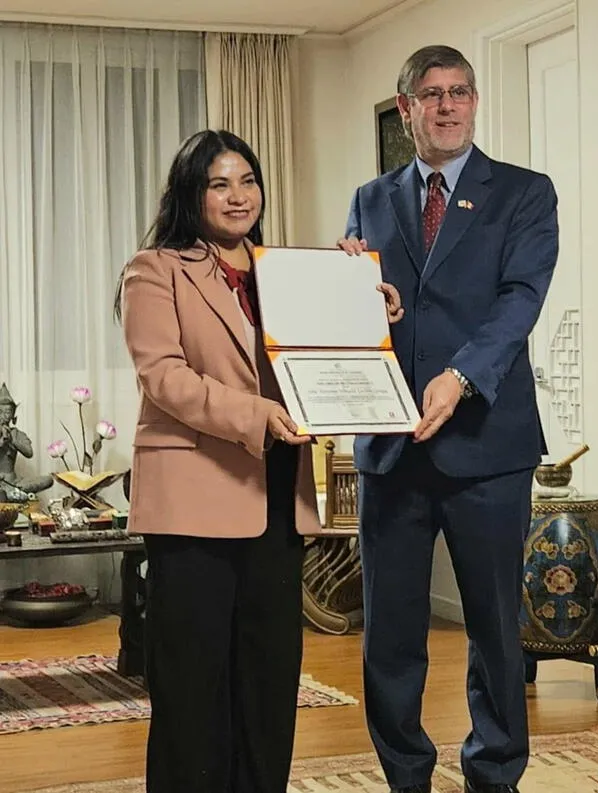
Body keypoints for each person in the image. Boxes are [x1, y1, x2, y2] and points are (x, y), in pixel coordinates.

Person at [115, 128, 403, 793]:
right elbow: (163, 376)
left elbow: (330, 351)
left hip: (278, 497)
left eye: (247, 180)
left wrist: (366, 299)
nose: (237, 195)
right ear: (192, 193)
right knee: (193, 683)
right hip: (194, 499)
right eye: (219, 183)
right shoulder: (155, 269)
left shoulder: (289, 268)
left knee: (269, 678)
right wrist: (255, 416)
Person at [338, 46, 559, 793]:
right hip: (391, 448)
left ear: (474, 101)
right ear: (406, 110)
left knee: (495, 628)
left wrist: (461, 376)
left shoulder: (526, 194)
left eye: (460, 91)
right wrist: (352, 290)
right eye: (431, 94)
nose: (448, 105)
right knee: (390, 636)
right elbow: (355, 312)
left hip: (487, 446)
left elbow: (520, 301)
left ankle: (493, 774)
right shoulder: (370, 198)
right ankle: (406, 776)